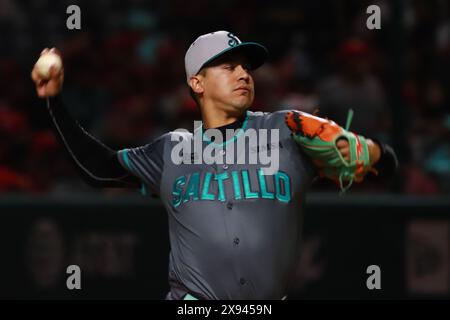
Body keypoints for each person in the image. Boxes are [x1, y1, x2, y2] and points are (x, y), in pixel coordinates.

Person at [31, 31, 398, 300]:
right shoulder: (173, 149)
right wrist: (55, 103)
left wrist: (372, 150)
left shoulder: (287, 128)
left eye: (247, 67)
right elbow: (99, 170)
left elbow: (377, 159)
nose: (244, 74)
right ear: (197, 82)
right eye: (228, 66)